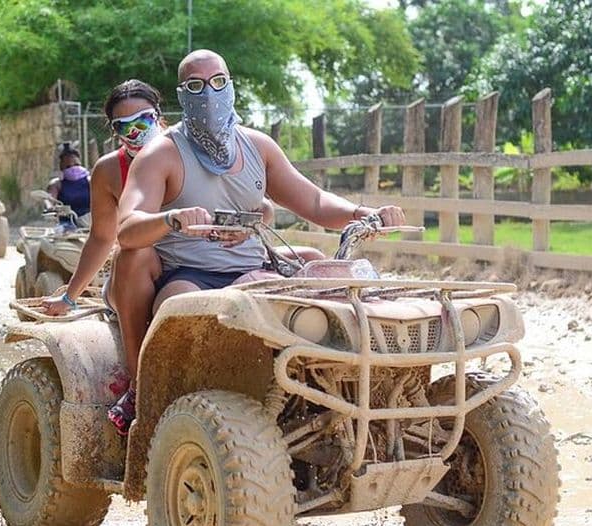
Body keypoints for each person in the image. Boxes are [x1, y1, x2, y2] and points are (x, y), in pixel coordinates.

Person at [111, 49, 406, 434]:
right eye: (196, 86)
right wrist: (174, 219)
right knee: (154, 278)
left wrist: (360, 213)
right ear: (183, 95)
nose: (209, 94)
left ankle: (340, 394)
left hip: (252, 268)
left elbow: (314, 201)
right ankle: (143, 388)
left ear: (231, 86)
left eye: (218, 82)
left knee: (315, 273)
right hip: (189, 273)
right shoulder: (161, 153)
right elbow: (127, 227)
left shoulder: (257, 146)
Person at [41, 79, 165, 320]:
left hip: (194, 265)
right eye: (124, 127)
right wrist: (69, 297)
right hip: (139, 273)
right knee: (134, 254)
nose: (135, 132)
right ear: (113, 130)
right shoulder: (108, 170)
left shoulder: (186, 151)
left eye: (143, 120)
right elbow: (101, 238)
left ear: (157, 115)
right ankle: (134, 358)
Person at [46, 143, 92, 225]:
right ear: (61, 167)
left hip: (89, 221)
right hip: (67, 224)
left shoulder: (90, 181)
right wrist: (50, 208)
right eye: (68, 167)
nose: (73, 168)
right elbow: (49, 199)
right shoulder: (56, 184)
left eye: (76, 165)